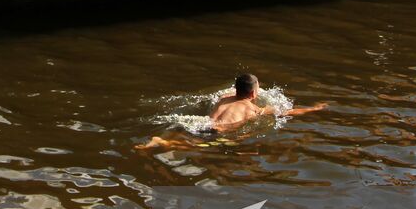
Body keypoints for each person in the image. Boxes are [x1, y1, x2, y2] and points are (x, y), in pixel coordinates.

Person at [136, 73, 326, 150]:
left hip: (200, 123)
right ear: (253, 93)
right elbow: (286, 112)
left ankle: (164, 138)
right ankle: (161, 142)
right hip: (215, 132)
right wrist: (314, 109)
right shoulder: (253, 109)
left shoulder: (224, 97)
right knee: (191, 147)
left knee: (187, 136)